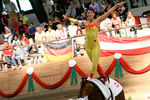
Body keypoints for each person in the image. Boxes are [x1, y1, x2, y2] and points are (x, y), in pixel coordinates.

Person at [63, 1, 126, 78]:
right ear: (87, 14)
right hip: (88, 47)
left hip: (95, 46)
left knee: (95, 63)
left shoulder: (97, 21)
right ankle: (104, 79)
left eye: (91, 13)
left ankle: (90, 76)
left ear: (94, 14)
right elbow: (75, 21)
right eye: (88, 13)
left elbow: (108, 13)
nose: (90, 14)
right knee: (95, 63)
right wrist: (67, 18)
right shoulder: (84, 22)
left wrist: (116, 6)